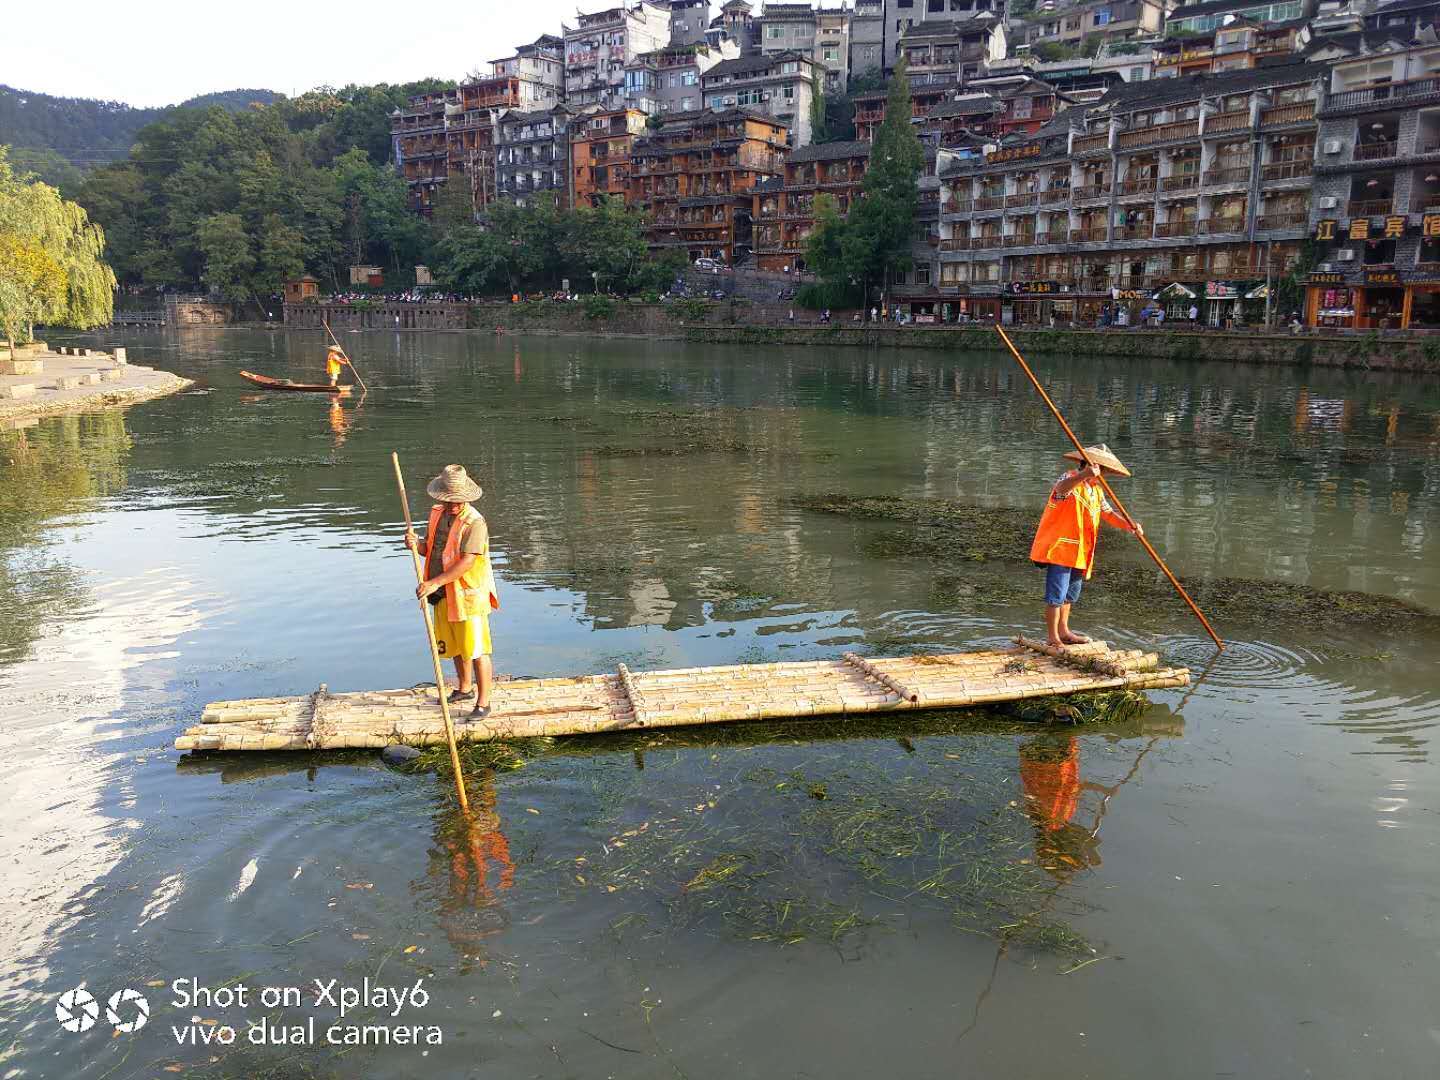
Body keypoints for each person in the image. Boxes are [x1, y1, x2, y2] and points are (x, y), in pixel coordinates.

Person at [405, 465, 500, 717]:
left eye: (459, 501)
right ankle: (464, 687)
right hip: (443, 593)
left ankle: (483, 702)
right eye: (450, 501)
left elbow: (466, 561)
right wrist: (416, 545)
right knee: (457, 645)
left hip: (468, 594)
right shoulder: (437, 513)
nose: (454, 506)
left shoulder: (475, 523)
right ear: (441, 498)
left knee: (476, 648)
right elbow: (433, 549)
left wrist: (435, 582)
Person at [1029, 444, 1143, 649]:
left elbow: (1108, 513)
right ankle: (1053, 637)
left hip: (1081, 550)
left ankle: (1064, 631)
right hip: (1061, 548)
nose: (1103, 477)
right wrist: (1083, 475)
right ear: (1093, 467)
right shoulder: (1069, 478)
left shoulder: (1096, 491)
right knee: (1056, 595)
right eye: (1103, 472)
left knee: (1070, 594)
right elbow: (1060, 490)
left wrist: (1129, 525)